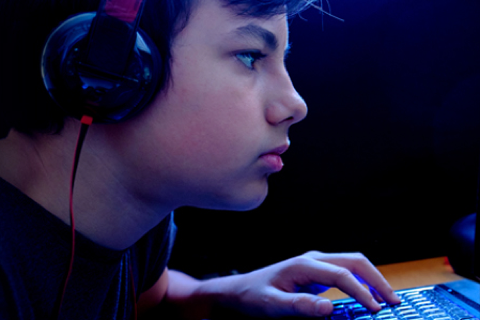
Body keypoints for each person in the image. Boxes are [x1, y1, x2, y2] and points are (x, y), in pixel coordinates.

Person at [0, 0, 401, 318]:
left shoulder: (132, 212)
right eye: (250, 56)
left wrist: (228, 292)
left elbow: (153, 297)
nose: (295, 105)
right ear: (110, 70)